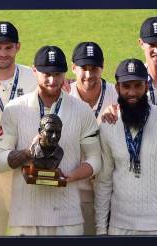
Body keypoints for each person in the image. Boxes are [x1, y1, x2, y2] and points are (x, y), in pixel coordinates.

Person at [0, 46, 101, 236]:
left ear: (65, 73)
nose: (52, 80)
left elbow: (95, 160)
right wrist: (28, 153)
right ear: (34, 70)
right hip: (25, 218)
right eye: (46, 74)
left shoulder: (82, 110)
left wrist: (71, 176)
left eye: (58, 74)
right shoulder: (14, 109)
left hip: (67, 217)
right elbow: (0, 161)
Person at [95, 59, 157, 235]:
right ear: (117, 88)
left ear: (146, 86)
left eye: (138, 86)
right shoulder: (108, 125)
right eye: (126, 86)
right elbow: (104, 181)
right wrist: (101, 229)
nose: (132, 92)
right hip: (119, 227)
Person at [0, 21, 38, 236]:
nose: (3, 53)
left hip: (24, 171)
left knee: (24, 239)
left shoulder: (34, 77)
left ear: (18, 47)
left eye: (8, 47)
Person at [68, 42, 118, 235]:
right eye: (84, 68)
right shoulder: (63, 96)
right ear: (73, 68)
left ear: (102, 67)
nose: (89, 75)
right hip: (73, 190)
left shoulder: (117, 95)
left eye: (94, 68)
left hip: (110, 191)